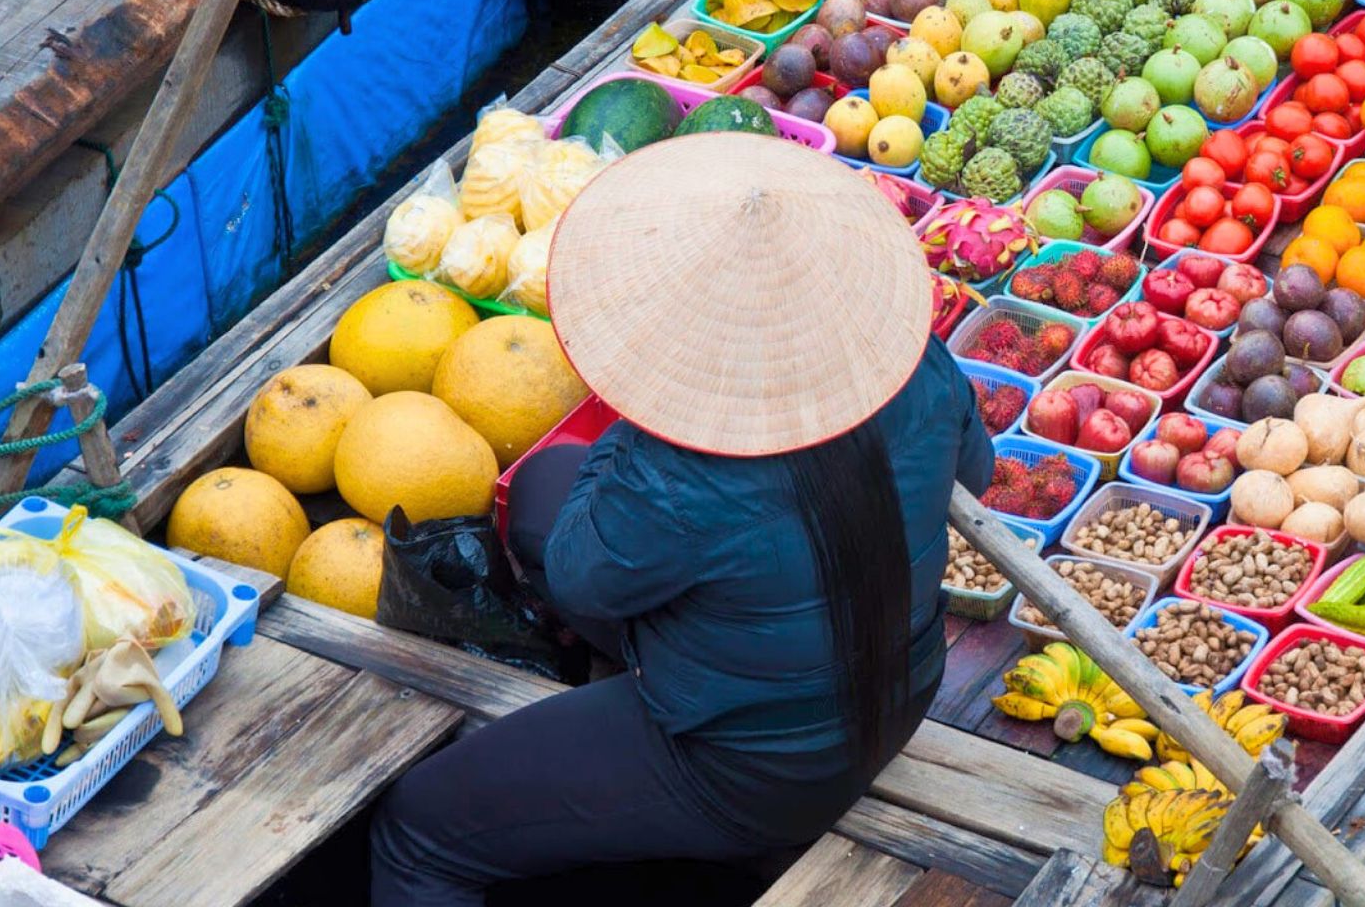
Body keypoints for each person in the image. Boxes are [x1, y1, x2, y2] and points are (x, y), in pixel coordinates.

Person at [370, 131, 994, 905]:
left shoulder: (677, 471)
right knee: (541, 492)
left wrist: (642, 422)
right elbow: (975, 472)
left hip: (752, 767)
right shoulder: (913, 362)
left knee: (417, 829)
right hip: (903, 682)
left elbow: (580, 580)